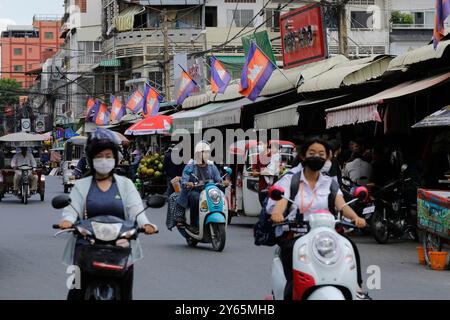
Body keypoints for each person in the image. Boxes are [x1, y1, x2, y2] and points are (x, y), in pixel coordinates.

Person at [58, 128, 158, 300]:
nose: (104, 160)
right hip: (86, 243)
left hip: (120, 245)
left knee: (127, 293)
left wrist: (146, 224)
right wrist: (67, 221)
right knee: (75, 290)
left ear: (115, 158)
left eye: (108, 155)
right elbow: (71, 208)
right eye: (99, 156)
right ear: (91, 159)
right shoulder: (81, 185)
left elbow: (136, 209)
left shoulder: (126, 184)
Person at [267, 138, 370, 300]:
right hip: (297, 236)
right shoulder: (291, 180)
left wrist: (356, 217)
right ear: (303, 156)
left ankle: (356, 288)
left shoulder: (330, 183)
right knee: (293, 269)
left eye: (321, 154)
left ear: (328, 157)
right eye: (312, 153)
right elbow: (282, 201)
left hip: (326, 236)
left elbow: (342, 206)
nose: (317, 157)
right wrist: (277, 214)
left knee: (349, 245)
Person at [177, 141, 228, 233]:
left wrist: (224, 182)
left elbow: (218, 179)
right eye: (205, 152)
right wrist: (189, 183)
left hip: (209, 191)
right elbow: (184, 181)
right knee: (195, 198)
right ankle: (193, 224)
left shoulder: (212, 166)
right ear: (198, 154)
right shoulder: (190, 166)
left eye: (208, 152)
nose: (207, 155)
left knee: (220, 197)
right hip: (195, 191)